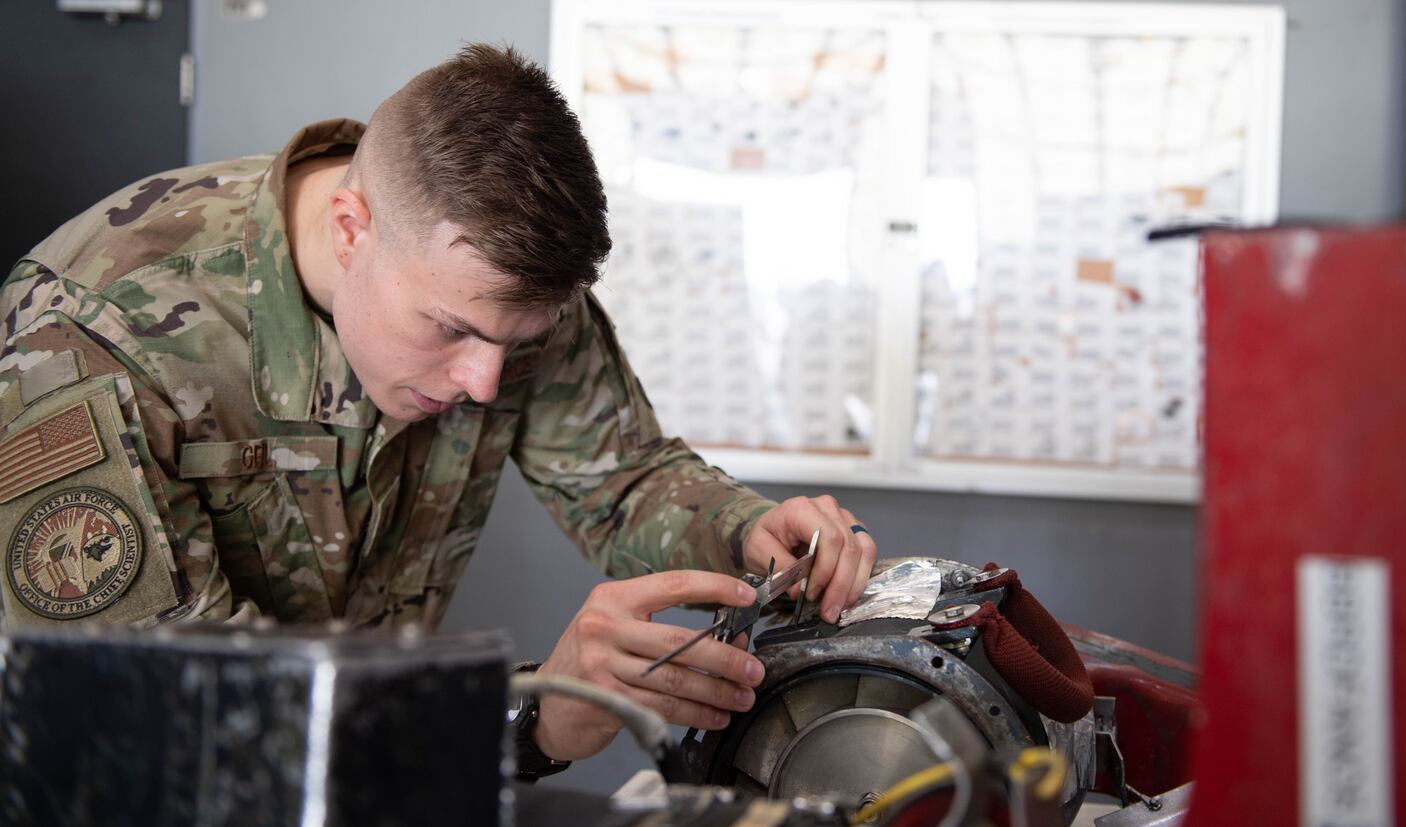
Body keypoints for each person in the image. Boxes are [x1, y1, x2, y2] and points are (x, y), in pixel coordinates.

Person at [0, 43, 876, 766]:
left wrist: (748, 532)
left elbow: (621, 476)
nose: (486, 384)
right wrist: (532, 716)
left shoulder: (498, 293)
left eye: (517, 341)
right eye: (451, 330)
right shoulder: (93, 335)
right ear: (351, 230)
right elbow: (169, 707)